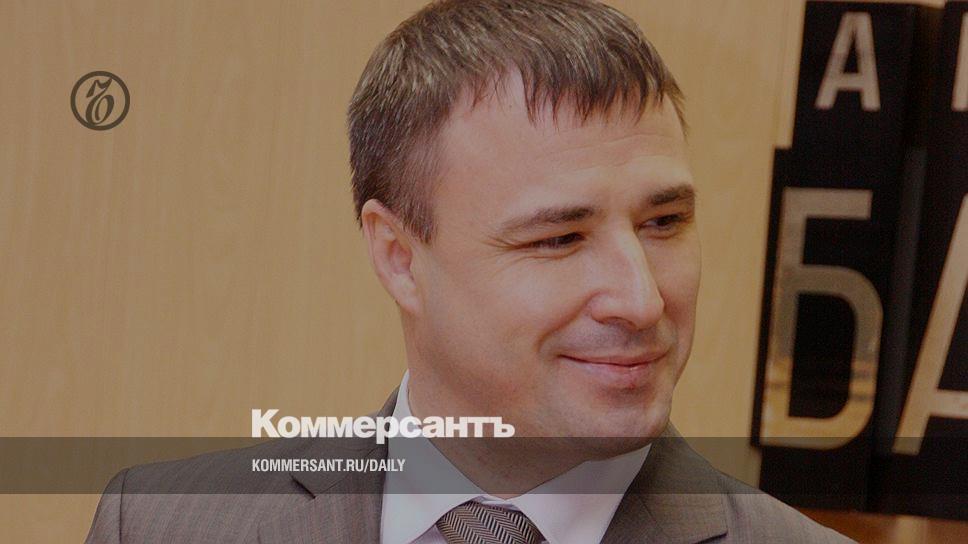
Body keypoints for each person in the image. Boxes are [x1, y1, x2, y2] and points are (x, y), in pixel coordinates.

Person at [85, 1, 854, 542]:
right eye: (559, 238)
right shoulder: (161, 525)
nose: (641, 299)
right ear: (399, 258)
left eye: (664, 223)